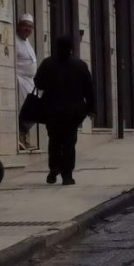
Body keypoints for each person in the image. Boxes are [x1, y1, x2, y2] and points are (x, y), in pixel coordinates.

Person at [34, 36, 94, 185]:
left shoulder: (48, 64)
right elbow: (89, 89)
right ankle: (67, 175)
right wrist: (91, 109)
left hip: (52, 110)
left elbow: (38, 82)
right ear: (72, 48)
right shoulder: (80, 66)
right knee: (69, 142)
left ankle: (53, 170)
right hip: (73, 113)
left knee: (54, 141)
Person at [15, 13, 36, 150]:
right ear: (19, 26)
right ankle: (21, 138)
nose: (27, 29)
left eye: (30, 27)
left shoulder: (26, 41)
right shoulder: (15, 40)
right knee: (25, 111)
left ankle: (25, 138)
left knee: (34, 110)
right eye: (25, 26)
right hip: (20, 81)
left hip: (30, 82)